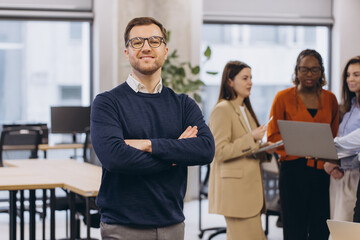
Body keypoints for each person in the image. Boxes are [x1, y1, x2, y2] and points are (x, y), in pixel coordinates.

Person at [90, 17, 215, 240]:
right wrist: (177, 152)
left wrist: (148, 145)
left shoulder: (184, 104)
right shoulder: (107, 102)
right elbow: (114, 158)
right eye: (137, 42)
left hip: (172, 224)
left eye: (154, 41)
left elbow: (205, 149)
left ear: (165, 51)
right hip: (122, 226)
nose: (146, 47)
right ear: (126, 52)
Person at [267, 49, 339, 240]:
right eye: (304, 69)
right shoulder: (282, 98)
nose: (309, 74)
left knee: (320, 227)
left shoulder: (330, 99)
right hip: (292, 171)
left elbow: (335, 136)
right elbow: (273, 136)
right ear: (296, 71)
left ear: (321, 71)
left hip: (321, 172)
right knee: (294, 227)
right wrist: (297, 146)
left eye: (314, 70)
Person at [208, 61, 272, 240]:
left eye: (251, 78)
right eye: (245, 78)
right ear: (230, 81)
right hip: (236, 194)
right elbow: (219, 151)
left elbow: (247, 148)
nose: (250, 82)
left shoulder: (245, 109)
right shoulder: (222, 110)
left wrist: (265, 149)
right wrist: (251, 138)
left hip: (249, 193)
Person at [323, 56, 360, 222]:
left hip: (354, 177)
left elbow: (354, 145)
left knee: (348, 232)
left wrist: (332, 158)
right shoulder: (349, 107)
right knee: (337, 230)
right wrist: (331, 164)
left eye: (356, 75)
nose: (350, 79)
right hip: (339, 176)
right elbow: (340, 139)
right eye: (348, 75)